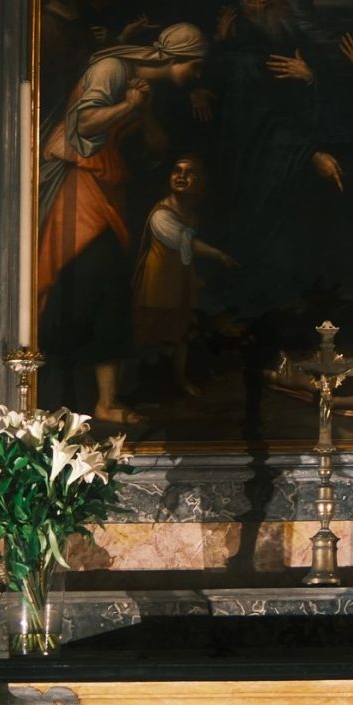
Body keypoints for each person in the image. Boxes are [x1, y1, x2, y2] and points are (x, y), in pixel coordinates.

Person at [37, 25, 209, 428]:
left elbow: (156, 147)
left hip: (105, 184)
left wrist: (142, 110)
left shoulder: (144, 87)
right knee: (88, 281)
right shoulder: (112, 69)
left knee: (110, 288)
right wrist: (129, 105)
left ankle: (104, 400)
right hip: (77, 185)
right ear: (176, 57)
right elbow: (84, 124)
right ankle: (68, 397)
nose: (198, 74)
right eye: (196, 65)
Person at [209, 0, 345, 318]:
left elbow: (338, 96)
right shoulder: (246, 57)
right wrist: (310, 154)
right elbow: (261, 122)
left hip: (298, 162)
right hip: (265, 171)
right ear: (246, 13)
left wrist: (311, 78)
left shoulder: (300, 42)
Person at [133, 155, 234, 396]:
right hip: (157, 282)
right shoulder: (161, 214)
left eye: (189, 173)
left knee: (181, 331)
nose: (181, 177)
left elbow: (185, 254)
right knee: (151, 331)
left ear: (200, 182)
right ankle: (144, 387)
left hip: (178, 280)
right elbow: (184, 242)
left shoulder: (190, 214)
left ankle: (179, 380)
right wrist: (218, 254)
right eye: (176, 171)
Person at [38, 0, 93, 134]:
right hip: (62, 103)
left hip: (85, 94)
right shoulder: (47, 22)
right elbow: (62, 68)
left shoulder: (85, 10)